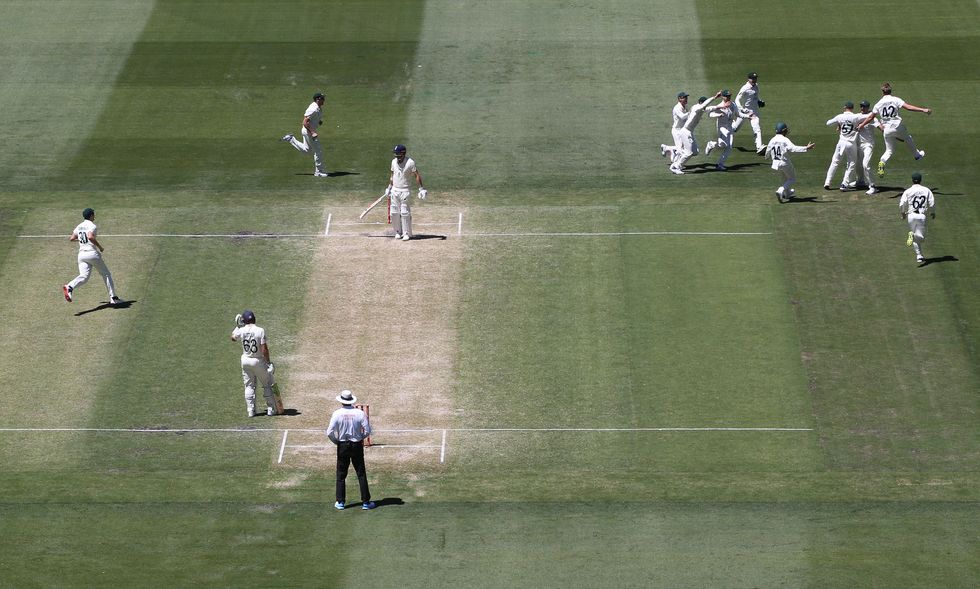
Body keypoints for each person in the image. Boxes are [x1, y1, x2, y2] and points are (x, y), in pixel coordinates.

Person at [858, 82, 931, 178]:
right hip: (897, 125)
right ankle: (917, 154)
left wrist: (862, 125)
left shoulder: (878, 103)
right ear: (890, 91)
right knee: (908, 138)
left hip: (887, 129)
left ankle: (882, 162)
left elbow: (870, 117)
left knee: (889, 150)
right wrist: (923, 110)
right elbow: (908, 107)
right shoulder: (896, 99)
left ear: (882, 92)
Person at [326, 390, 375, 511]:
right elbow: (368, 431)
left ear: (342, 401)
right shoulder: (359, 413)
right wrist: (360, 439)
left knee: (341, 475)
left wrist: (337, 442)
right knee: (361, 474)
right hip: (356, 445)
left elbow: (329, 432)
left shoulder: (337, 413)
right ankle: (365, 502)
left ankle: (340, 502)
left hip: (342, 445)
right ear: (351, 400)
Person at [63, 208, 122, 306]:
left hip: (81, 255)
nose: (94, 216)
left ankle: (69, 286)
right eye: (93, 214)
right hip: (92, 254)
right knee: (106, 274)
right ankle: (114, 298)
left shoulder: (79, 226)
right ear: (90, 216)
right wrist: (100, 247)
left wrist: (82, 240)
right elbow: (90, 236)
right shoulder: (92, 225)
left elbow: (72, 238)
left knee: (84, 277)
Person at [230, 310, 279, 417]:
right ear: (254, 319)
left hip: (246, 361)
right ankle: (271, 409)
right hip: (258, 361)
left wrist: (237, 328)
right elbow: (264, 349)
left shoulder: (241, 330)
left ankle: (250, 411)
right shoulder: (260, 330)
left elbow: (233, 338)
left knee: (249, 386)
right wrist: (268, 362)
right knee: (266, 384)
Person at [670, 91, 722, 174]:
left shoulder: (700, 108)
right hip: (684, 131)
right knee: (688, 152)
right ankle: (676, 167)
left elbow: (710, 108)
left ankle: (676, 163)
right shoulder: (697, 108)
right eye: (684, 97)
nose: (686, 99)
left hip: (688, 132)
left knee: (695, 152)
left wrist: (720, 106)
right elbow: (704, 106)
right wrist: (715, 97)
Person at [764, 122, 815, 203]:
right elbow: (793, 148)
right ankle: (781, 190)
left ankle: (787, 194)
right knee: (792, 179)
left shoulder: (772, 139)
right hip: (784, 162)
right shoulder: (784, 139)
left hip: (775, 164)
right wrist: (806, 148)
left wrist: (766, 157)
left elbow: (767, 151)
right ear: (783, 131)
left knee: (785, 179)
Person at [281, 91, 328, 177]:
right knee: (318, 151)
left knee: (307, 150)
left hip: (307, 131)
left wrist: (318, 121)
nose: (324, 100)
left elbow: (313, 118)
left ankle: (291, 139)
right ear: (318, 99)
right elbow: (305, 122)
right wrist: (313, 132)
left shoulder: (318, 107)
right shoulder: (313, 108)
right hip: (308, 132)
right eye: (322, 98)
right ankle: (319, 172)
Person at [385, 144, 426, 241]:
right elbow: (392, 175)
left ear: (403, 153)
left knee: (404, 212)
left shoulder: (410, 162)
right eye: (395, 155)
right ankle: (397, 232)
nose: (396, 157)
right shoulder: (393, 162)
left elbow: (416, 175)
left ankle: (406, 233)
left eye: (398, 154)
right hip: (395, 190)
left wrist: (421, 188)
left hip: (405, 190)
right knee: (394, 212)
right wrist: (389, 187)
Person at [704, 89, 750, 170]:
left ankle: (718, 160)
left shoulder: (733, 105)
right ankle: (717, 158)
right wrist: (718, 115)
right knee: (726, 143)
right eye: (727, 96)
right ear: (723, 97)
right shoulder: (720, 105)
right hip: (721, 127)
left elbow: (738, 114)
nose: (729, 97)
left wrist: (748, 116)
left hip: (729, 127)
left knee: (726, 147)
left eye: (730, 96)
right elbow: (710, 114)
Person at [823, 101, 863, 191]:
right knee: (851, 163)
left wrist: (839, 123)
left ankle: (827, 182)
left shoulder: (839, 116)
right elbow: (867, 116)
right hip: (850, 143)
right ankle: (844, 184)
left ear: (845, 108)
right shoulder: (855, 116)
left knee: (835, 162)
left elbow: (828, 123)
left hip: (841, 143)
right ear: (852, 108)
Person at [898, 172, 935, 264]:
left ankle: (919, 256)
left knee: (916, 238)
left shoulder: (908, 191)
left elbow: (902, 203)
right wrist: (932, 212)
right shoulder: (926, 190)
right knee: (921, 238)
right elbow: (932, 203)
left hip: (911, 216)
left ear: (912, 180)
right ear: (921, 180)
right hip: (921, 216)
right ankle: (912, 235)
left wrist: (903, 213)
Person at [732, 72, 766, 154]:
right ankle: (727, 131)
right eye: (753, 78)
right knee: (735, 128)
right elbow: (737, 99)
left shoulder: (756, 86)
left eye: (755, 78)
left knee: (757, 128)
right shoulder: (745, 88)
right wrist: (742, 109)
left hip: (754, 112)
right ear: (748, 79)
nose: (754, 80)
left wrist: (759, 102)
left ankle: (759, 147)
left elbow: (755, 97)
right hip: (745, 112)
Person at [855, 100, 881, 194]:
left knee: (866, 164)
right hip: (858, 144)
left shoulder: (872, 118)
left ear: (868, 107)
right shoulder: (857, 116)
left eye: (864, 106)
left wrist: (889, 132)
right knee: (858, 164)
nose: (862, 108)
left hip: (868, 145)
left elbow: (881, 128)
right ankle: (860, 181)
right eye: (861, 106)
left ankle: (873, 186)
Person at [659, 91, 690, 169]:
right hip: (677, 131)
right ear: (679, 99)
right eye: (684, 98)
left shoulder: (685, 107)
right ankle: (676, 165)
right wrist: (691, 112)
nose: (686, 99)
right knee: (681, 150)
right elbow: (682, 117)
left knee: (683, 148)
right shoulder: (677, 108)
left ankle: (667, 148)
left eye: (686, 97)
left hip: (682, 131)